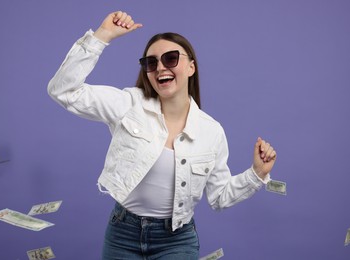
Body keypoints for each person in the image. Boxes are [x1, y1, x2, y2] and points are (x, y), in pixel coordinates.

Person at [48, 11, 277, 260]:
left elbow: (219, 197)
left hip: (176, 240)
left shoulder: (211, 132)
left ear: (191, 67)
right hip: (122, 233)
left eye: (170, 59)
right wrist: (102, 36)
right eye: (151, 62)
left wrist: (257, 174)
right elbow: (63, 91)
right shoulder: (129, 105)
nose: (160, 67)